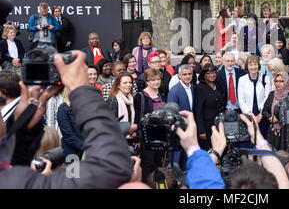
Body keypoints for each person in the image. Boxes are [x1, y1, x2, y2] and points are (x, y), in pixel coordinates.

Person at [0, 50, 135, 188]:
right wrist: (83, 90)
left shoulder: (11, 176)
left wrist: (24, 131)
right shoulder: (63, 109)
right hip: (73, 152)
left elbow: (12, 166)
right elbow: (113, 166)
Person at [133, 68, 167, 181]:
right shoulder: (140, 96)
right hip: (146, 137)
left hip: (161, 135)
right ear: (147, 81)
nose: (156, 82)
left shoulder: (162, 93)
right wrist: (137, 137)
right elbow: (137, 118)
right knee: (147, 164)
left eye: (158, 79)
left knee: (158, 163)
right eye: (153, 80)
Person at [262, 72, 289, 153]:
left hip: (288, 133)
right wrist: (270, 118)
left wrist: (279, 120)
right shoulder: (272, 94)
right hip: (273, 131)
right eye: (276, 81)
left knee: (286, 157)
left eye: (281, 81)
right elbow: (264, 110)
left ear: (286, 82)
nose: (278, 83)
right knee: (273, 155)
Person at [193, 63, 226, 151]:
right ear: (203, 74)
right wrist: (201, 130)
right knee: (209, 150)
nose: (212, 75)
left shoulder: (217, 85)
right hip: (207, 127)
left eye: (214, 72)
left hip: (218, 124)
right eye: (208, 73)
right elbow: (198, 111)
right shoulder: (200, 88)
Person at [237, 55, 271, 137]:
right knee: (249, 138)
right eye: (250, 65)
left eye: (255, 64)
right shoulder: (242, 79)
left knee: (261, 138)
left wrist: (260, 114)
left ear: (258, 65)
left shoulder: (265, 78)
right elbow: (241, 99)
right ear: (247, 67)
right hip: (248, 114)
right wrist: (250, 115)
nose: (253, 67)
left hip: (261, 114)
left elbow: (267, 96)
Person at [57, 87, 84, 160]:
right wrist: (84, 147)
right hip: (71, 152)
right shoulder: (63, 109)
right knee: (73, 171)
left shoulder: (84, 107)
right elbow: (68, 136)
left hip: (87, 151)